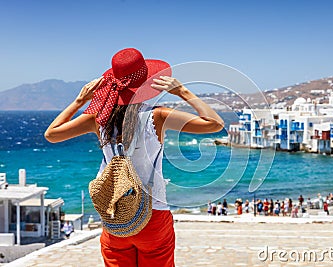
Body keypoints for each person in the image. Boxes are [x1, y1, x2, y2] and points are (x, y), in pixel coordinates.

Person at [44, 48, 224, 267]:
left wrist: (80, 101)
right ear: (147, 84)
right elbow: (215, 123)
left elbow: (51, 134)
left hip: (116, 216)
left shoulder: (97, 119)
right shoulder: (157, 116)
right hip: (153, 215)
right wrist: (183, 92)